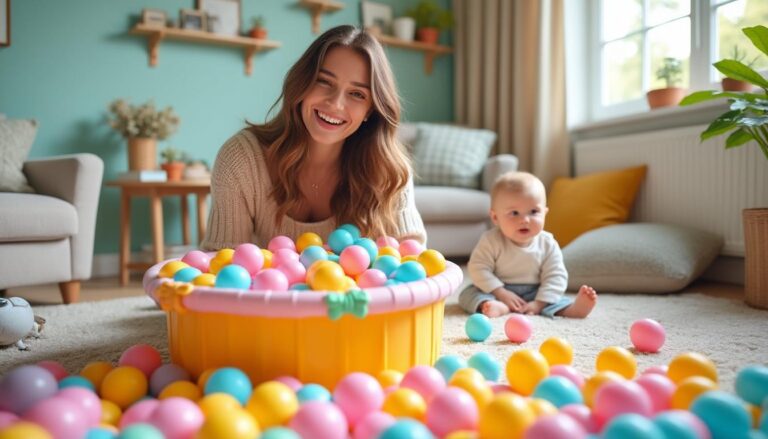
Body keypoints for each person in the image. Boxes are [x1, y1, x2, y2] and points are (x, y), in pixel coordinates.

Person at [201, 25, 426, 250]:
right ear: (302, 84)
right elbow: (220, 266)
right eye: (324, 81)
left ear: (370, 109)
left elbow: (414, 265)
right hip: (267, 288)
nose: (336, 104)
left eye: (357, 94)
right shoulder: (242, 159)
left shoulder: (389, 170)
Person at [458, 171, 597, 318]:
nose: (525, 220)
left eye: (533, 211)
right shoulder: (491, 240)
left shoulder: (547, 243)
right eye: (514, 213)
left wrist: (539, 303)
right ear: (495, 217)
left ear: (545, 213)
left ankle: (573, 310)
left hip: (536, 292)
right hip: (498, 288)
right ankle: (496, 306)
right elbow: (478, 268)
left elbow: (555, 275)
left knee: (555, 298)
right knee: (468, 294)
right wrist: (501, 292)